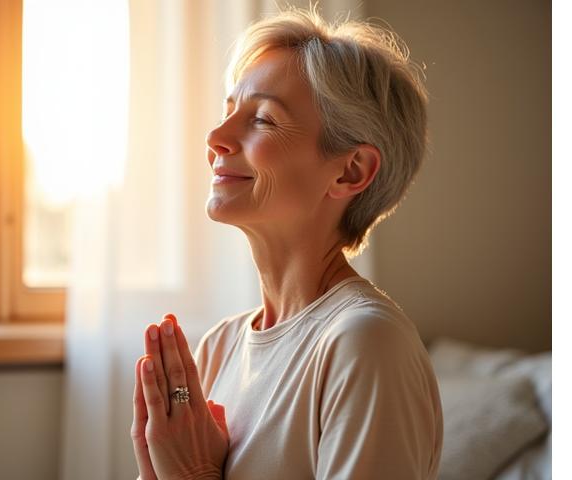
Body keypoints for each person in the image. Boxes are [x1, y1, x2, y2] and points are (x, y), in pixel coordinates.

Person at [131, 7, 443, 479]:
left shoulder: (365, 344)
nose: (215, 137)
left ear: (350, 170)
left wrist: (192, 474)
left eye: (262, 120)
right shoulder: (219, 348)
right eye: (228, 110)